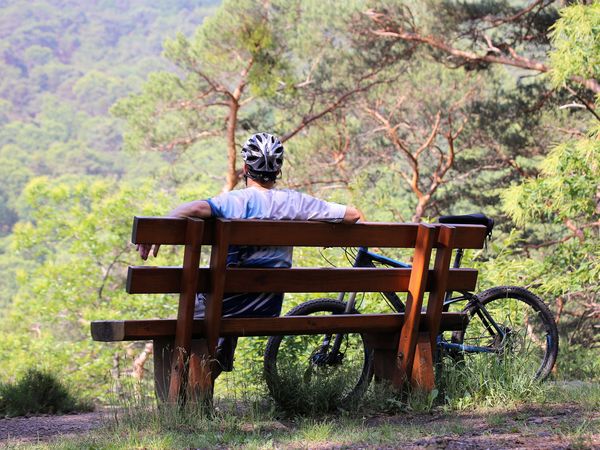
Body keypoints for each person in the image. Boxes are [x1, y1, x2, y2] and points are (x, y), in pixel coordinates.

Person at [138, 132, 362, 389]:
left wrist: (162, 225)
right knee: (219, 306)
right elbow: (352, 214)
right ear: (278, 170)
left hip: (225, 305)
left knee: (202, 309)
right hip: (265, 307)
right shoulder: (297, 202)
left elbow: (197, 209)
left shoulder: (234, 201)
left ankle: (185, 393)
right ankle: (216, 359)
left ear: (245, 168)